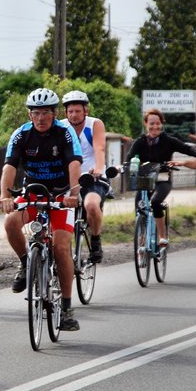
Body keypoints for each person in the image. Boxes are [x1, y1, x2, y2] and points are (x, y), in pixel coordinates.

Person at [0, 88, 82, 331]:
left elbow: (74, 163)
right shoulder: (21, 134)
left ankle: (66, 308)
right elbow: (9, 167)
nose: (41, 118)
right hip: (33, 192)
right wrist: (5, 196)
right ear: (29, 115)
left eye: (46, 112)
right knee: (10, 222)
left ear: (54, 114)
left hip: (61, 195)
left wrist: (74, 194)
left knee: (61, 247)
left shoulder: (65, 132)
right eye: (36, 113)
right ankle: (26, 263)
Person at [125, 108, 196, 247]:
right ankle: (142, 238)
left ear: (161, 124)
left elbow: (187, 148)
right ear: (146, 124)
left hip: (163, 179)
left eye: (158, 123)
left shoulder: (168, 140)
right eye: (151, 123)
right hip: (145, 180)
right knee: (140, 206)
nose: (155, 126)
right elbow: (129, 159)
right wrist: (125, 167)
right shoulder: (140, 142)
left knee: (155, 202)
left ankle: (162, 236)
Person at [60, 90, 109, 262]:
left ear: (85, 111)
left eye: (77, 111)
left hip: (91, 177)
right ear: (65, 112)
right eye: (70, 111)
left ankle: (95, 240)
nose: (74, 115)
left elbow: (99, 148)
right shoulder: (61, 126)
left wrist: (99, 168)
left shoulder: (94, 124)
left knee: (91, 205)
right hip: (68, 179)